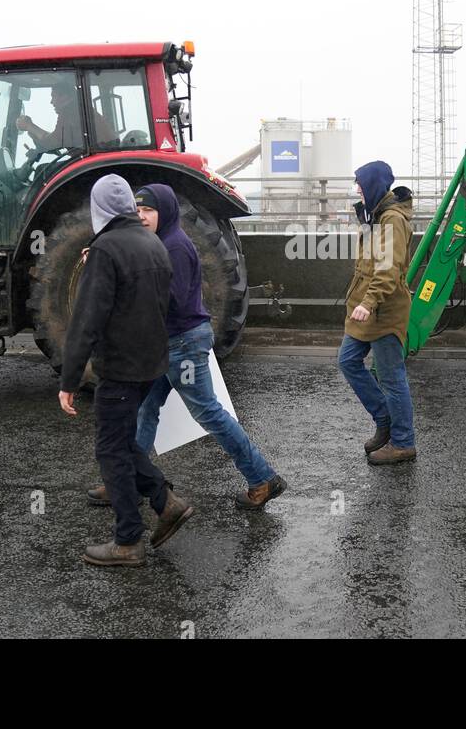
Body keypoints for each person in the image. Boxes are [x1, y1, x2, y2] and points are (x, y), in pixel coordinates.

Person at [85, 183, 287, 510]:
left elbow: (171, 300)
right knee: (145, 409)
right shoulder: (157, 242)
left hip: (183, 344)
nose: (142, 216)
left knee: (208, 412)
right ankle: (126, 480)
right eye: (137, 210)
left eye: (149, 210)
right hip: (167, 343)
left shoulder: (174, 246)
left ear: (164, 212)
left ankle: (261, 477)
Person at [59, 175, 195, 568]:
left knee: (110, 449)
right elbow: (162, 303)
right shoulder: (153, 243)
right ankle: (166, 503)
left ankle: (127, 540)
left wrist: (69, 380)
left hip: (120, 366)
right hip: (151, 363)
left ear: (99, 207)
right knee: (123, 441)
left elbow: (86, 320)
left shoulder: (105, 249)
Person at [338, 160, 417, 465]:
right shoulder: (376, 216)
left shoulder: (392, 220)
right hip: (368, 308)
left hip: (383, 309)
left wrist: (367, 303)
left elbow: (388, 268)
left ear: (372, 185)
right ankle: (385, 420)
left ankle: (403, 442)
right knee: (348, 362)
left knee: (391, 376)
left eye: (360, 183)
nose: (357, 188)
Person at [16, 80, 115, 157]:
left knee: (43, 172)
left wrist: (29, 126)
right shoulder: (80, 111)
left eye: (54, 96)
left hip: (95, 160)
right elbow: (58, 138)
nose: (51, 101)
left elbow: (54, 143)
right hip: (98, 156)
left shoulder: (71, 113)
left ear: (66, 97)